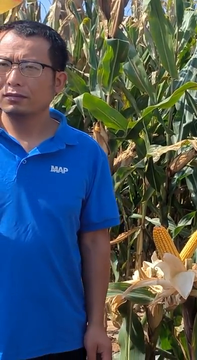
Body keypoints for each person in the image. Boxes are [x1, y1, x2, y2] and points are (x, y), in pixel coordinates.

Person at [0, 20, 119, 360]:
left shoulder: (85, 154)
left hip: (59, 338)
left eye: (30, 67)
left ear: (59, 82)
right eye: (3, 63)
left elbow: (95, 242)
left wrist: (97, 323)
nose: (13, 78)